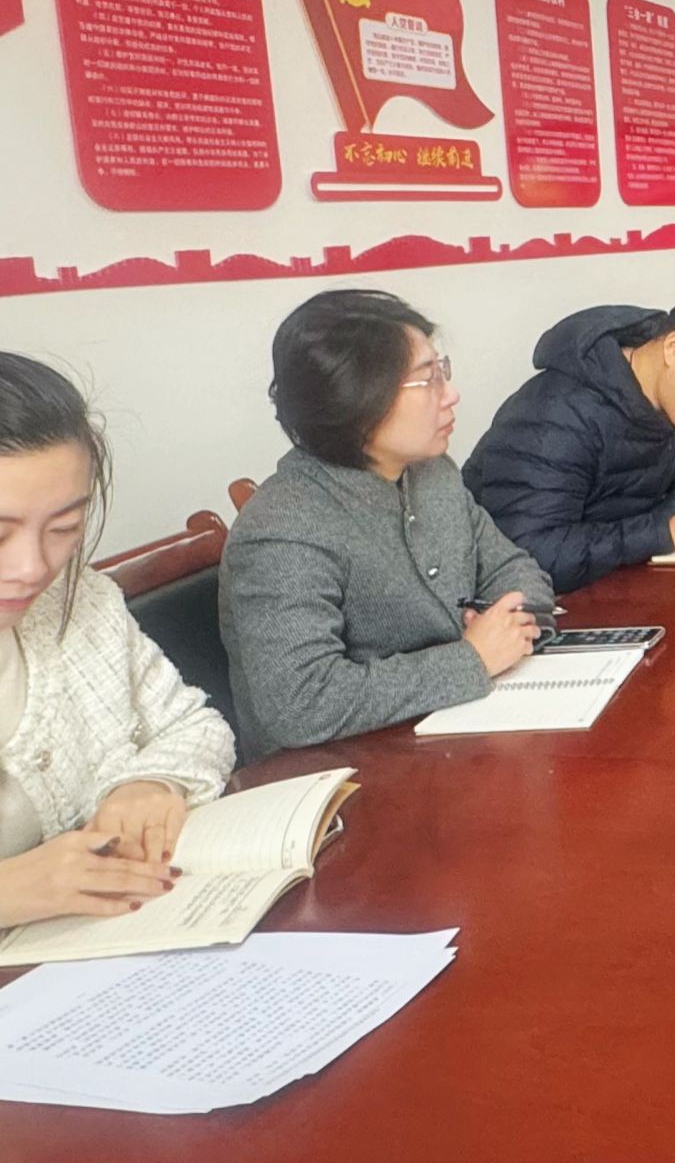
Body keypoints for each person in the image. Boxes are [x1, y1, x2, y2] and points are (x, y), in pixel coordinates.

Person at [224, 291, 552, 760]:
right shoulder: (283, 528)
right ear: (357, 400)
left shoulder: (434, 475)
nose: (451, 394)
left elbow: (513, 568)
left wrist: (508, 625)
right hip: (346, 773)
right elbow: (301, 704)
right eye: (428, 379)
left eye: (443, 371)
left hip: (451, 735)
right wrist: (472, 658)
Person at [0, 353, 232, 926]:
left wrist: (149, 782)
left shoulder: (80, 600)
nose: (33, 568)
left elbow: (192, 725)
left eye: (65, 529)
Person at [463, 286, 675, 593]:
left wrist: (670, 528)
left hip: (621, 590)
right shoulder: (556, 414)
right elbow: (530, 556)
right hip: (524, 606)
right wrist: (662, 532)